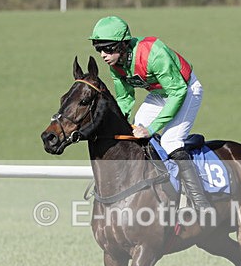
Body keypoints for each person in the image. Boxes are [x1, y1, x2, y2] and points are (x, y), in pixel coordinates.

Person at [89, 15, 212, 212]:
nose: (103, 55)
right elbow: (124, 100)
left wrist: (153, 128)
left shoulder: (153, 53)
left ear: (123, 45)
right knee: (134, 132)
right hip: (159, 94)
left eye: (108, 48)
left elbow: (177, 92)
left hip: (186, 90)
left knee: (170, 141)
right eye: (99, 49)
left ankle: (200, 203)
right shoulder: (116, 66)